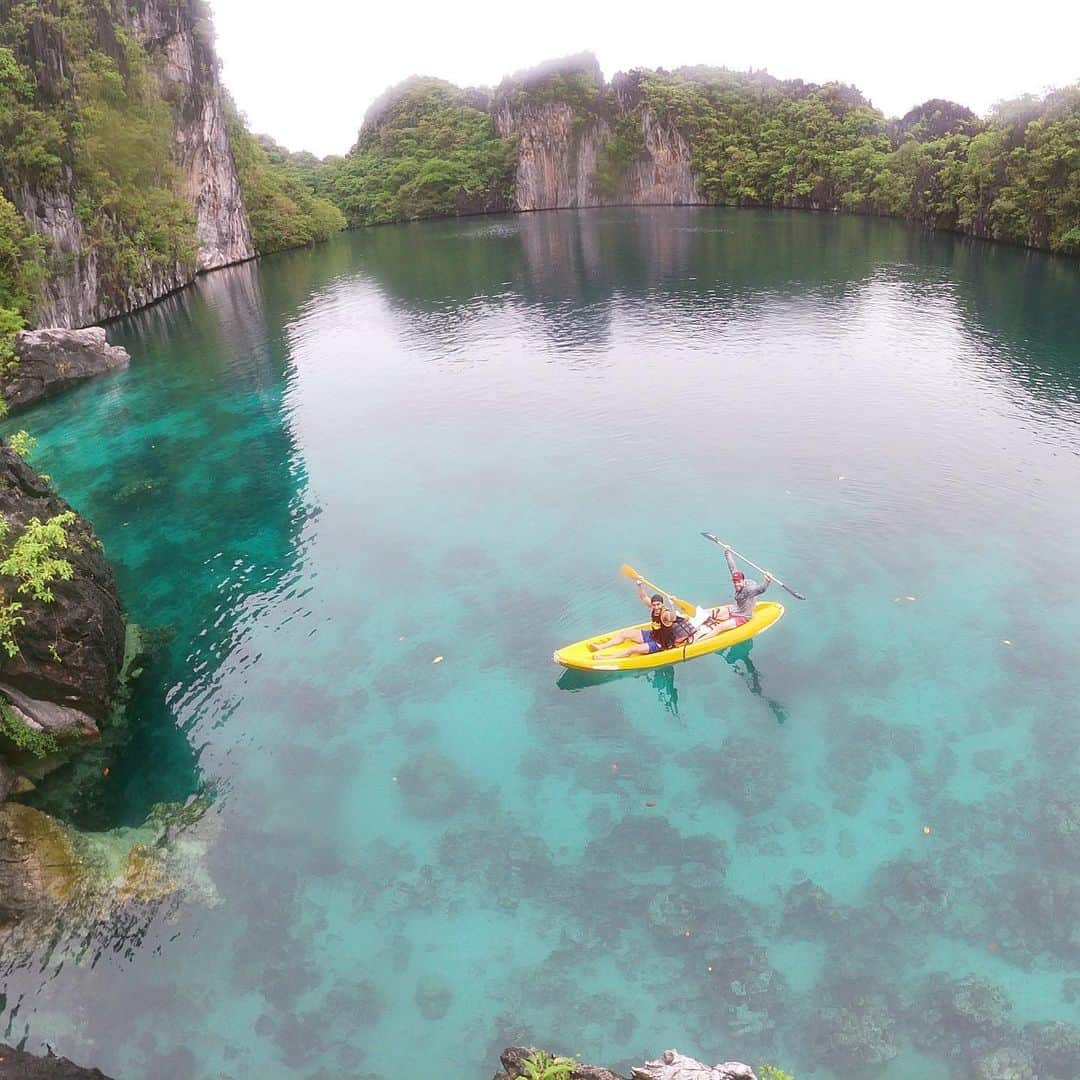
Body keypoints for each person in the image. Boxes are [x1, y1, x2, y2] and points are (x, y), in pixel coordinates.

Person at [589, 578, 694, 657]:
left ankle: (606, 658)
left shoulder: (665, 614)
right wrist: (639, 585)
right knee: (624, 633)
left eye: (658, 605)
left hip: (660, 643)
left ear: (662, 604)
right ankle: (601, 647)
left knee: (632, 649)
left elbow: (672, 617)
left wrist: (672, 604)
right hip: (652, 635)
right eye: (654, 605)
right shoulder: (654, 608)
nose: (656, 607)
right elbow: (643, 597)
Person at [695, 546, 773, 636]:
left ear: (743, 581)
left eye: (739, 582)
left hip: (742, 617)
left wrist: (767, 580)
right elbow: (732, 567)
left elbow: (761, 589)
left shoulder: (749, 590)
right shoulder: (738, 579)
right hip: (734, 609)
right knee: (710, 613)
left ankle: (696, 643)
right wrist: (727, 552)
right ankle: (694, 627)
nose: (736, 584)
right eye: (735, 582)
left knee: (719, 627)